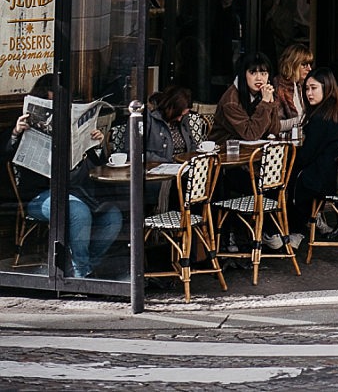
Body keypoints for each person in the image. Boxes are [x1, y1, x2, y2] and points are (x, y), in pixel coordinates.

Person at [6, 74, 121, 279]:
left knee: (113, 217)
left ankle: (84, 266)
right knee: (78, 212)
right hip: (39, 196)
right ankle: (82, 273)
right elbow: (5, 155)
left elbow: (98, 163)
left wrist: (97, 142)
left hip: (76, 191)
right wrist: (16, 132)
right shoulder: (24, 127)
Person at [287, 67, 338, 244]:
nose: (309, 93)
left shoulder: (321, 117)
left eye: (314, 88)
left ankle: (293, 229)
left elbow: (307, 155)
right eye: (306, 88)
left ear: (326, 88)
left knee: (292, 177)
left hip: (330, 179)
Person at [213, 52, 282, 142]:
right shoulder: (231, 101)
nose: (259, 78)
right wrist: (265, 103)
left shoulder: (263, 93)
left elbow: (274, 130)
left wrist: (271, 103)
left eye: (263, 73)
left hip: (252, 149)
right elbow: (250, 134)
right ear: (244, 75)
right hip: (226, 149)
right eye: (253, 73)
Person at [144, 87, 197, 163]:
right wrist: (167, 162)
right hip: (158, 168)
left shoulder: (182, 119)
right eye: (178, 115)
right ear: (170, 108)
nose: (179, 119)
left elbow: (192, 144)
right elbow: (137, 151)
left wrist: (191, 161)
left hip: (183, 166)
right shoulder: (148, 118)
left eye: (182, 115)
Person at [273, 44, 313, 134]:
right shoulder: (278, 87)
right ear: (292, 64)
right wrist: (304, 119)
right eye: (304, 65)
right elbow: (275, 125)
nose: (309, 68)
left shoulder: (300, 85)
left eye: (310, 64)